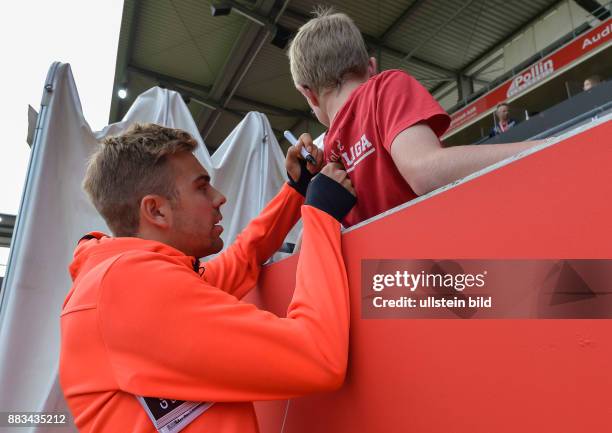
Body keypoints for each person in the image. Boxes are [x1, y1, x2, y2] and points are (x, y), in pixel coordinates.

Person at [59, 123, 356, 433]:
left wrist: (298, 189)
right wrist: (322, 215)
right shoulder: (130, 288)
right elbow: (317, 356)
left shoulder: (122, 282)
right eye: (201, 187)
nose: (219, 197)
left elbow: (243, 257)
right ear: (156, 211)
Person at [287, 9, 542, 227]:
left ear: (307, 93)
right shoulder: (384, 87)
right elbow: (424, 170)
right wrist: (544, 148)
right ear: (371, 67)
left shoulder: (329, 160)